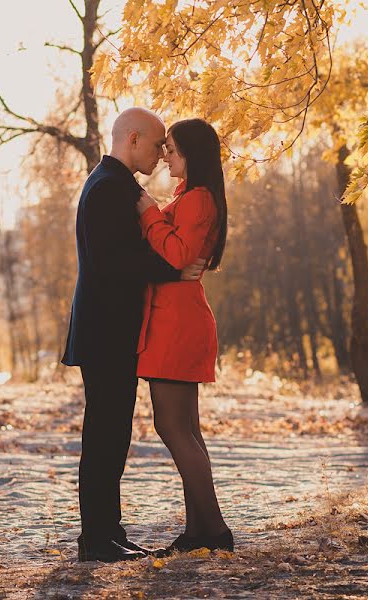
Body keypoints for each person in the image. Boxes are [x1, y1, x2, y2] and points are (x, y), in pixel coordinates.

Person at [61, 108, 207, 563]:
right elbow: (114, 263)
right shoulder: (108, 188)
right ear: (135, 138)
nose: (163, 153)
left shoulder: (118, 184)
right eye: (158, 143)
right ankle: (97, 540)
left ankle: (108, 531)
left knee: (113, 434)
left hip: (114, 330)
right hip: (105, 331)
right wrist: (175, 268)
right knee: (104, 435)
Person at [134, 118, 233, 554]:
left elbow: (177, 254)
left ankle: (214, 531)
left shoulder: (197, 200)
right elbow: (178, 254)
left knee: (172, 426)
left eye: (171, 149)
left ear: (191, 153)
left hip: (178, 322)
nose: (165, 156)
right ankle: (198, 533)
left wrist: (147, 210)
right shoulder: (189, 197)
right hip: (178, 315)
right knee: (186, 429)